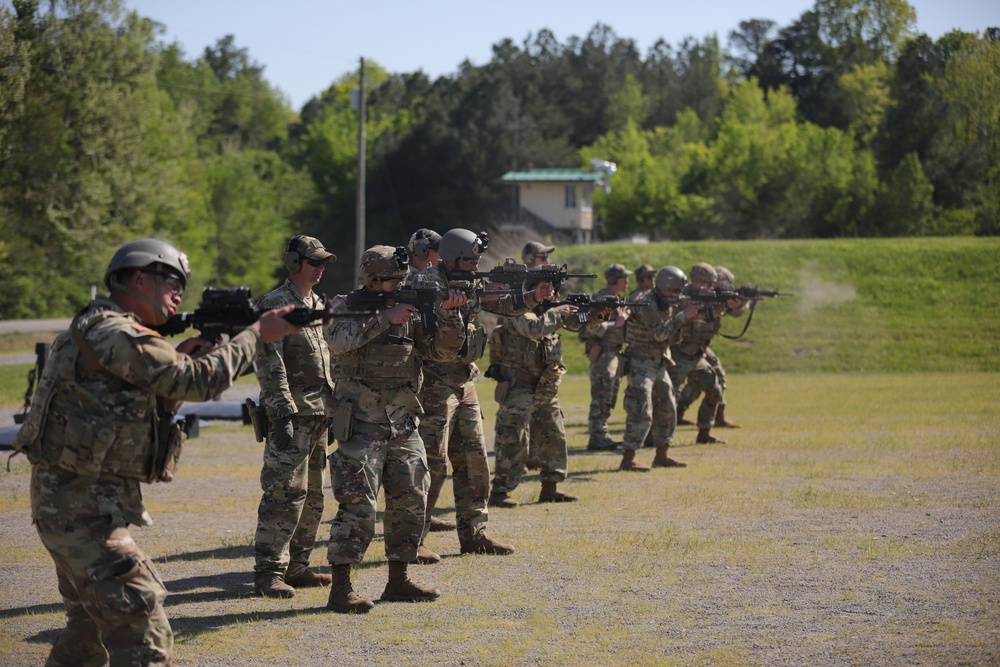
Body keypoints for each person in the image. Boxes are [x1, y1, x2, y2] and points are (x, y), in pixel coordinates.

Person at [12, 238, 299, 666]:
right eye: (172, 282)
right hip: (82, 509)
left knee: (87, 634)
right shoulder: (117, 332)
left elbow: (137, 399)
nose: (179, 294)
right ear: (138, 278)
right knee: (146, 634)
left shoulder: (97, 325)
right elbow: (199, 382)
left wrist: (179, 360)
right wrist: (257, 335)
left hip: (70, 502)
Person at [324, 245, 467, 613]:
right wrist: (385, 318)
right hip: (361, 421)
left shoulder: (412, 309)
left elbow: (443, 354)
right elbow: (338, 343)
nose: (397, 284)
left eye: (400, 279)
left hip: (403, 420)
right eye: (390, 279)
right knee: (357, 506)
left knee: (410, 501)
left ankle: (398, 580)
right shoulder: (345, 305)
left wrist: (450, 316)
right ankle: (341, 588)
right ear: (370, 279)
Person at [409, 229, 554, 557]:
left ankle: (474, 534)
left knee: (475, 461)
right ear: (452, 259)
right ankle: (413, 539)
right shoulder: (427, 282)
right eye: (471, 262)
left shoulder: (469, 282)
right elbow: (422, 326)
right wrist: (446, 308)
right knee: (431, 464)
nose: (476, 268)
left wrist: (533, 296)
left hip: (464, 381)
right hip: (432, 383)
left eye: (477, 262)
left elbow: (503, 306)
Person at [252, 235, 337, 599]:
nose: (319, 268)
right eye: (313, 261)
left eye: (322, 262)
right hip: (292, 414)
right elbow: (270, 364)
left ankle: (298, 566)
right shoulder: (274, 304)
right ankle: (269, 572)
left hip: (320, 413)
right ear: (293, 263)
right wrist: (283, 412)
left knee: (314, 496)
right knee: (283, 494)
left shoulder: (319, 303)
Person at [489, 267, 582, 506]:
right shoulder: (516, 308)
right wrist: (558, 312)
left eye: (553, 289)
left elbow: (578, 326)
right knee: (514, 438)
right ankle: (500, 491)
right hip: (519, 383)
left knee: (553, 435)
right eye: (544, 288)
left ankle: (550, 488)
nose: (551, 293)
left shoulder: (549, 310)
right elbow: (534, 329)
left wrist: (593, 314)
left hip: (545, 386)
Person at [619, 266, 700, 470]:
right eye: (675, 291)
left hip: (658, 361)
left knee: (667, 406)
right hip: (640, 361)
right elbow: (661, 334)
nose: (678, 296)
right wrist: (683, 315)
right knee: (640, 408)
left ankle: (661, 454)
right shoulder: (647, 304)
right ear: (664, 288)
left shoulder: (666, 301)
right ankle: (628, 459)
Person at [669, 263, 745, 445]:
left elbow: (712, 314)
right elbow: (690, 313)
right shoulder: (681, 296)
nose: (712, 287)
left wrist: (727, 304)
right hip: (678, 354)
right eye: (708, 283)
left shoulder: (708, 297)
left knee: (715, 391)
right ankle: (653, 437)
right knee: (668, 397)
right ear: (697, 281)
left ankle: (704, 433)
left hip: (697, 354)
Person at [579, 263, 631, 451]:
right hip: (603, 355)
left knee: (610, 396)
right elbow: (592, 327)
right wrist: (616, 324)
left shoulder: (616, 299)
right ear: (613, 280)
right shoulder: (602, 300)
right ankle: (596, 436)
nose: (628, 281)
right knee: (601, 395)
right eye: (624, 277)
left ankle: (602, 434)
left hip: (613, 353)